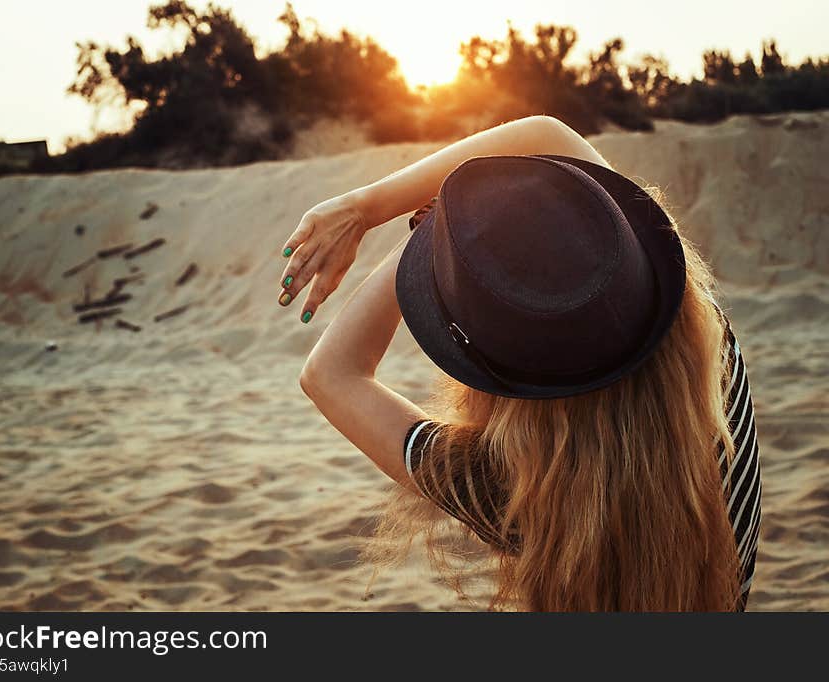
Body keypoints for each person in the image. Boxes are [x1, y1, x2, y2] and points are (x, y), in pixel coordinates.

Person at [278, 115, 761, 611]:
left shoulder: (516, 488)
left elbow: (330, 371)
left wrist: (436, 236)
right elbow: (549, 137)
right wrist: (368, 211)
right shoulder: (710, 363)